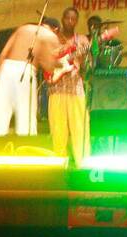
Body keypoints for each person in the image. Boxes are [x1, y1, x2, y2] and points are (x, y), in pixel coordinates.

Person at [0, 21, 63, 137]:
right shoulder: (50, 36)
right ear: (56, 29)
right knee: (26, 118)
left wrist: (1, 76)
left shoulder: (22, 28)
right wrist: (61, 65)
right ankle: (26, 148)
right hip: (26, 70)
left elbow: (2, 55)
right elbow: (49, 67)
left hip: (6, 68)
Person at [47, 8, 92, 165]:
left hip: (75, 87)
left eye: (74, 19)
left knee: (80, 127)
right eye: (68, 18)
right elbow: (46, 62)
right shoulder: (52, 39)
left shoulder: (82, 40)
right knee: (58, 129)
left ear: (77, 21)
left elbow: (88, 66)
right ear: (62, 18)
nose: (70, 22)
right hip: (57, 88)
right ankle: (59, 165)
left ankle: (83, 163)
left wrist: (85, 59)